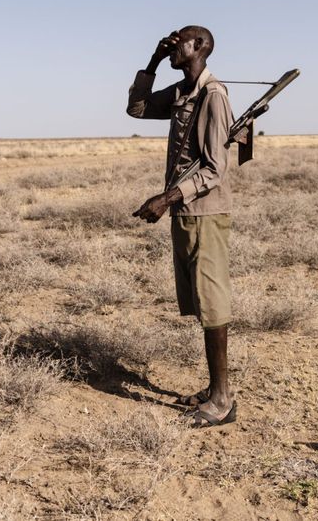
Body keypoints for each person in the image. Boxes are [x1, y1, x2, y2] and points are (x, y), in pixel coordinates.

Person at [127, 25, 237, 427]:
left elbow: (214, 169)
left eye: (179, 42)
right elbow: (136, 109)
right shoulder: (181, 93)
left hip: (205, 212)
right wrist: (153, 61)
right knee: (199, 301)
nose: (173, 45)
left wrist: (165, 198)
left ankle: (222, 399)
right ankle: (214, 390)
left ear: (201, 47)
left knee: (212, 303)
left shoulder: (213, 95)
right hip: (187, 213)